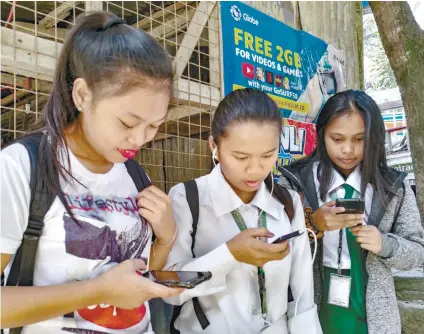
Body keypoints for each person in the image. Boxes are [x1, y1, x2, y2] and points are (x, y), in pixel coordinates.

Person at [1, 12, 182, 334]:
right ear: (83, 95)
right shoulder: (21, 166)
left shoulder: (135, 174)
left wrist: (166, 238)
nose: (139, 139)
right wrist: (96, 291)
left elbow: (135, 284)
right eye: (127, 123)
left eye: (154, 126)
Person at [164, 88, 322, 333]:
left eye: (267, 155)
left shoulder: (287, 203)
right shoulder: (187, 199)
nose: (255, 170)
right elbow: (170, 291)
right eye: (240, 157)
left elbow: (302, 294)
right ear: (214, 146)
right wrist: (230, 255)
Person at [278, 90, 424, 334]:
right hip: (310, 300)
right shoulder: (294, 183)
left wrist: (383, 243)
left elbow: (418, 252)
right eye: (337, 139)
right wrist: (312, 226)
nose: (347, 149)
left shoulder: (393, 187)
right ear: (322, 134)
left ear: (374, 137)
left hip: (372, 311)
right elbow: (273, 246)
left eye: (359, 139)